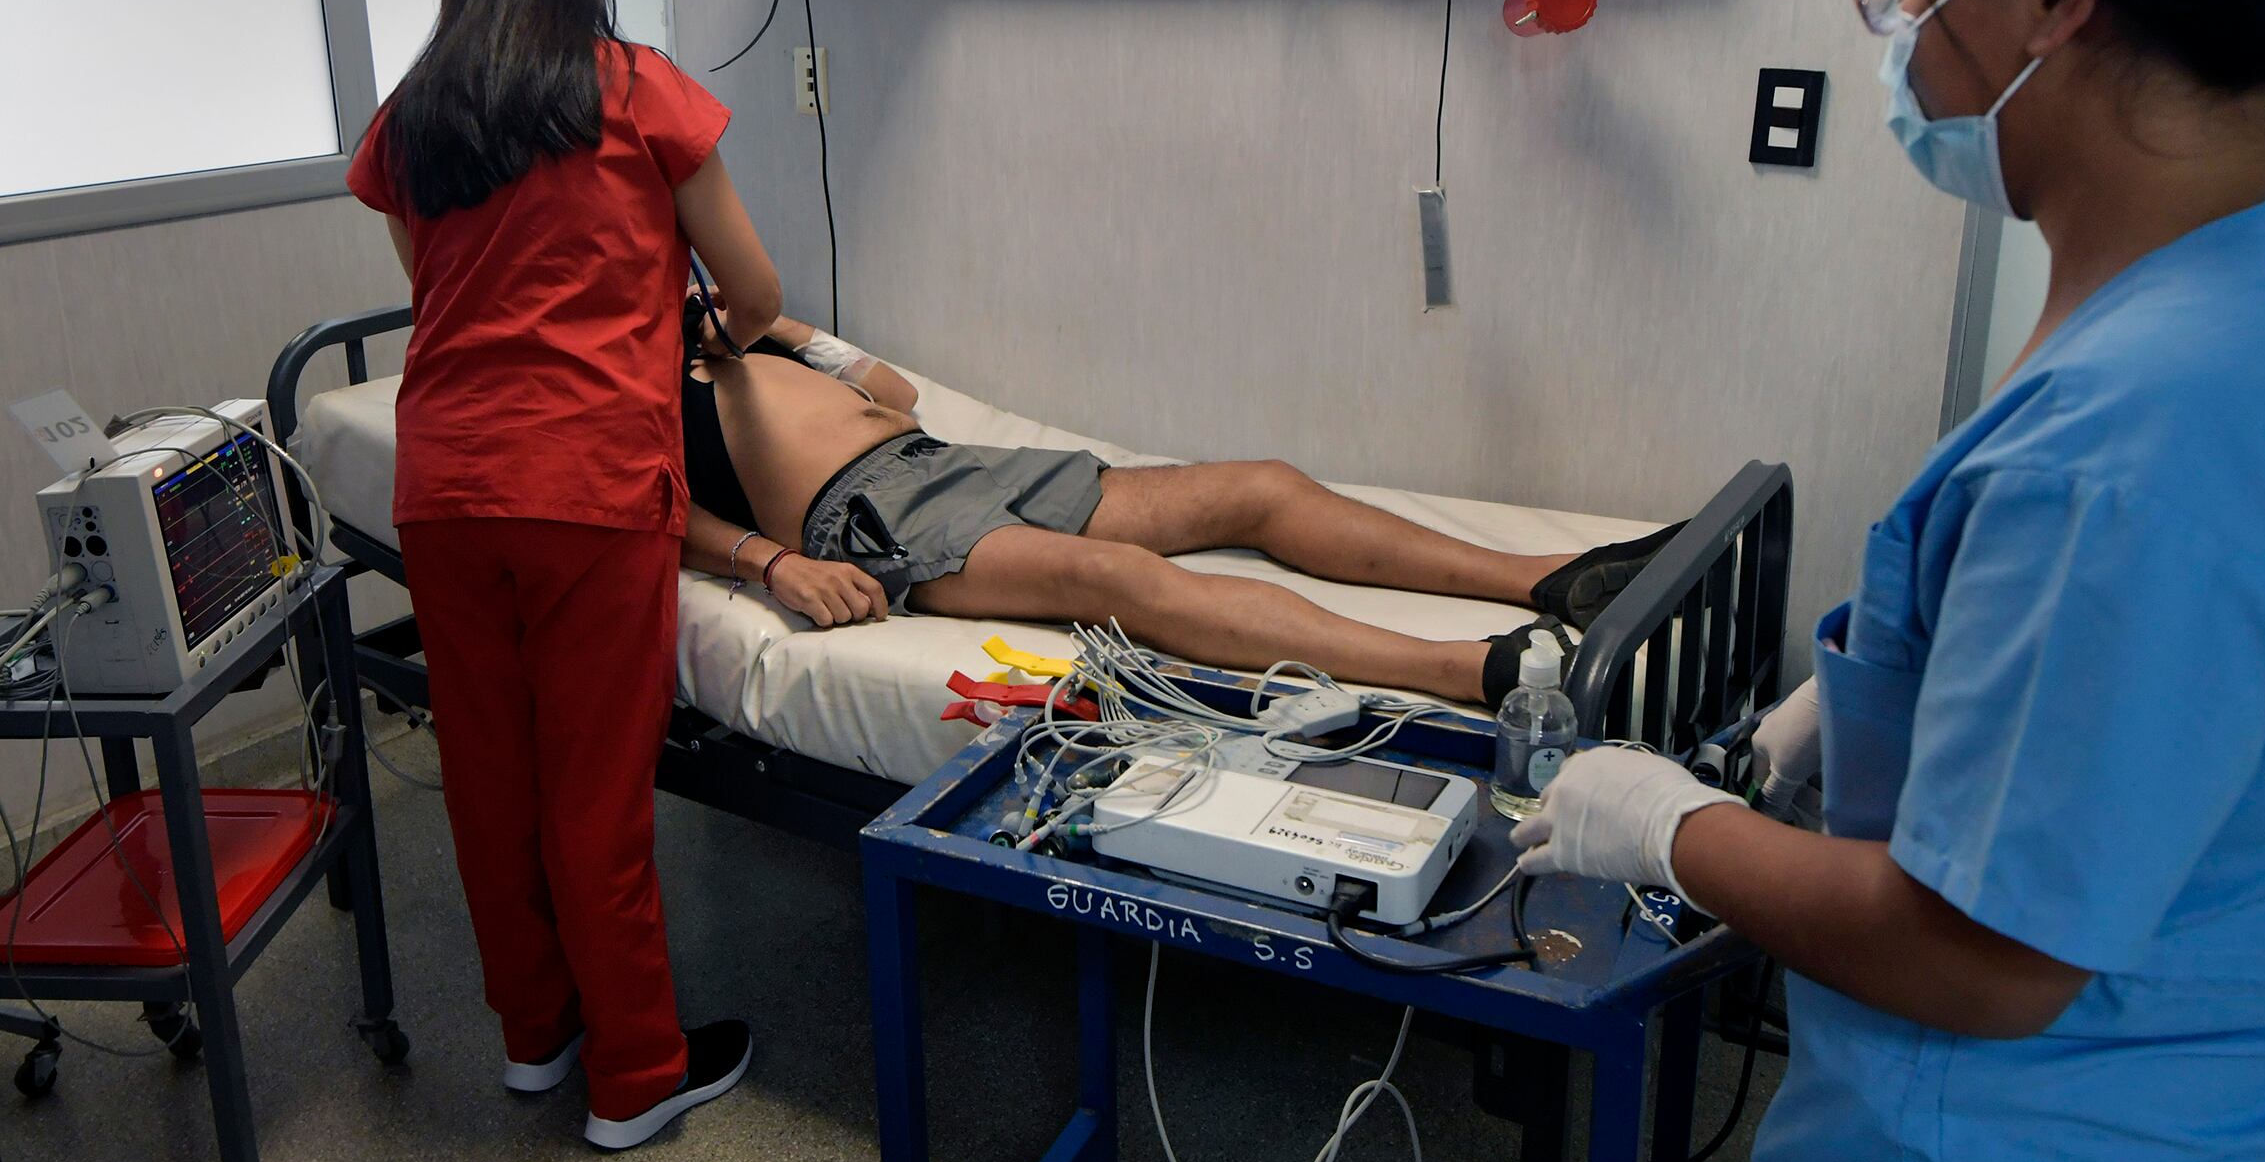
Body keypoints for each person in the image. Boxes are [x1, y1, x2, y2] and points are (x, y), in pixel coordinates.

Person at [1510, 0, 2265, 1162]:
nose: (1896, 20)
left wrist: (1669, 825)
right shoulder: (2231, 288)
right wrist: (1862, 695)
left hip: (2029, 1127)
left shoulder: (2131, 442)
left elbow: (1983, 956)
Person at [347, 0, 783, 1152]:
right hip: (586, 488)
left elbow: (439, 295)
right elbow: (752, 290)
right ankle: (639, 1074)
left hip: (444, 485)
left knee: (489, 780)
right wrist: (697, 328)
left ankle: (535, 1038)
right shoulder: (633, 87)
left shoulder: (412, 121)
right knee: (596, 794)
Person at [678, 305, 1683, 706]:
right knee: (1115, 581)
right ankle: (1479, 672)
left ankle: (1554, 580)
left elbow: (891, 393)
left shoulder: (744, 331)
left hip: (940, 454)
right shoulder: (631, 382)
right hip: (868, 520)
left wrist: (780, 326)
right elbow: (656, 511)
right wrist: (772, 564)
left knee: (1260, 487)